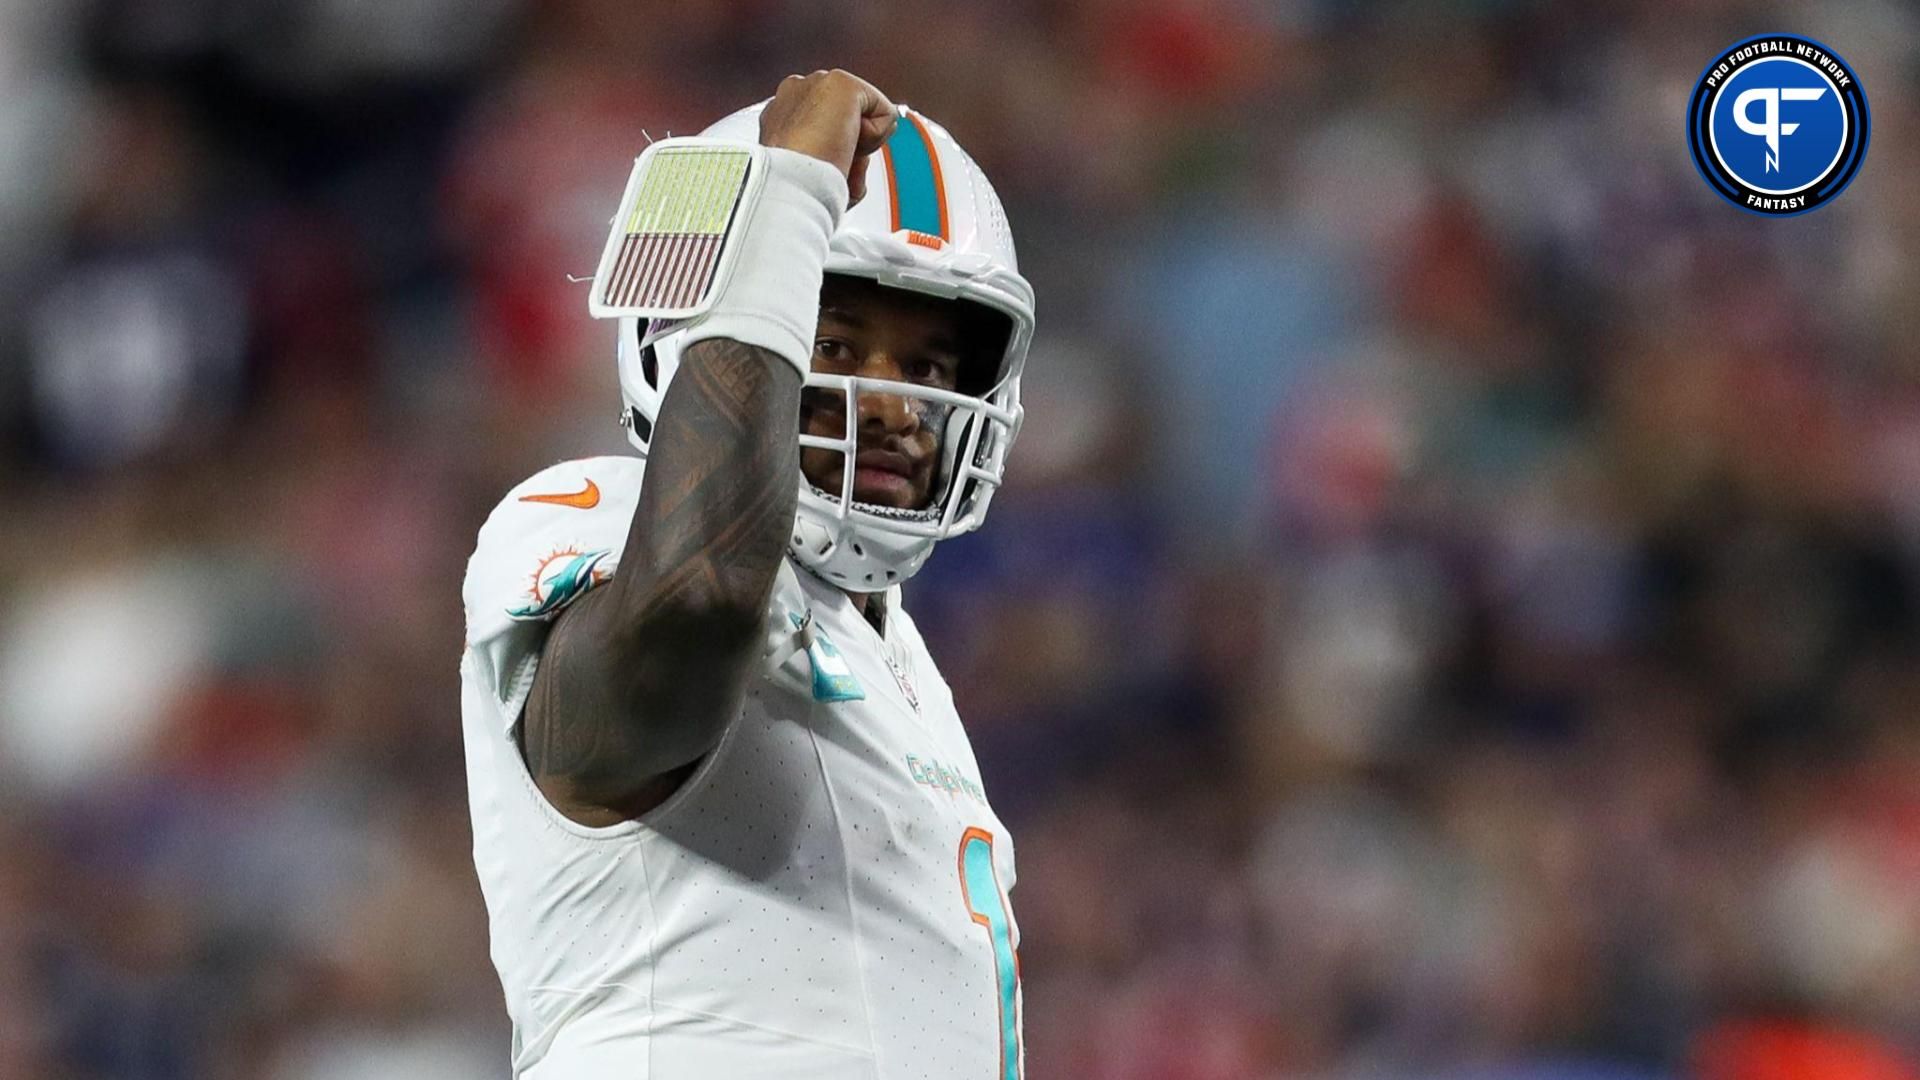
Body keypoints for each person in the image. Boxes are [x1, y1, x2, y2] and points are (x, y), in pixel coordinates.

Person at [458, 70, 1034, 1079]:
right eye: (837, 342)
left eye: (932, 369)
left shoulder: (899, 657)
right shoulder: (595, 514)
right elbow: (696, 596)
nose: (894, 406)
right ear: (683, 329)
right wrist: (790, 198)